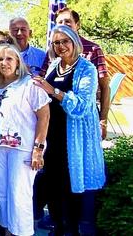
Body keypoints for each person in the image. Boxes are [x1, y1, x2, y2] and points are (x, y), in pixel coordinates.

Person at [32, 25, 106, 236]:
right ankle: (57, 227)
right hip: (53, 135)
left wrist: (53, 91)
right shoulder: (55, 64)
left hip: (75, 138)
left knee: (71, 187)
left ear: (75, 42)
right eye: (56, 43)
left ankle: (72, 230)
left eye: (65, 41)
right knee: (53, 185)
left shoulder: (87, 69)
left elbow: (82, 105)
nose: (61, 46)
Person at [0, 44, 50, 236]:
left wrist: (38, 150)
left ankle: (22, 233)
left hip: (23, 147)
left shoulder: (30, 84)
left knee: (19, 195)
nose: (4, 63)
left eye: (9, 59)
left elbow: (44, 116)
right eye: (0, 59)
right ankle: (7, 231)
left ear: (18, 62)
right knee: (2, 193)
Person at [52, 7, 110, 140]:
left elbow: (105, 87)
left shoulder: (93, 49)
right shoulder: (54, 51)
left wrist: (103, 121)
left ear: (77, 25)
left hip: (82, 120)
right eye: (59, 22)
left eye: (67, 21)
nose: (63, 25)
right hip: (56, 121)